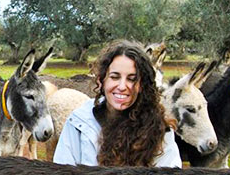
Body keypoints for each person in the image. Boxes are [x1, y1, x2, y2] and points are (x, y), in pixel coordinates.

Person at [53, 39, 181, 167]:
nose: (122, 86)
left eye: (132, 79)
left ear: (141, 85)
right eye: (115, 77)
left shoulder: (159, 129)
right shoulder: (78, 123)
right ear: (101, 81)